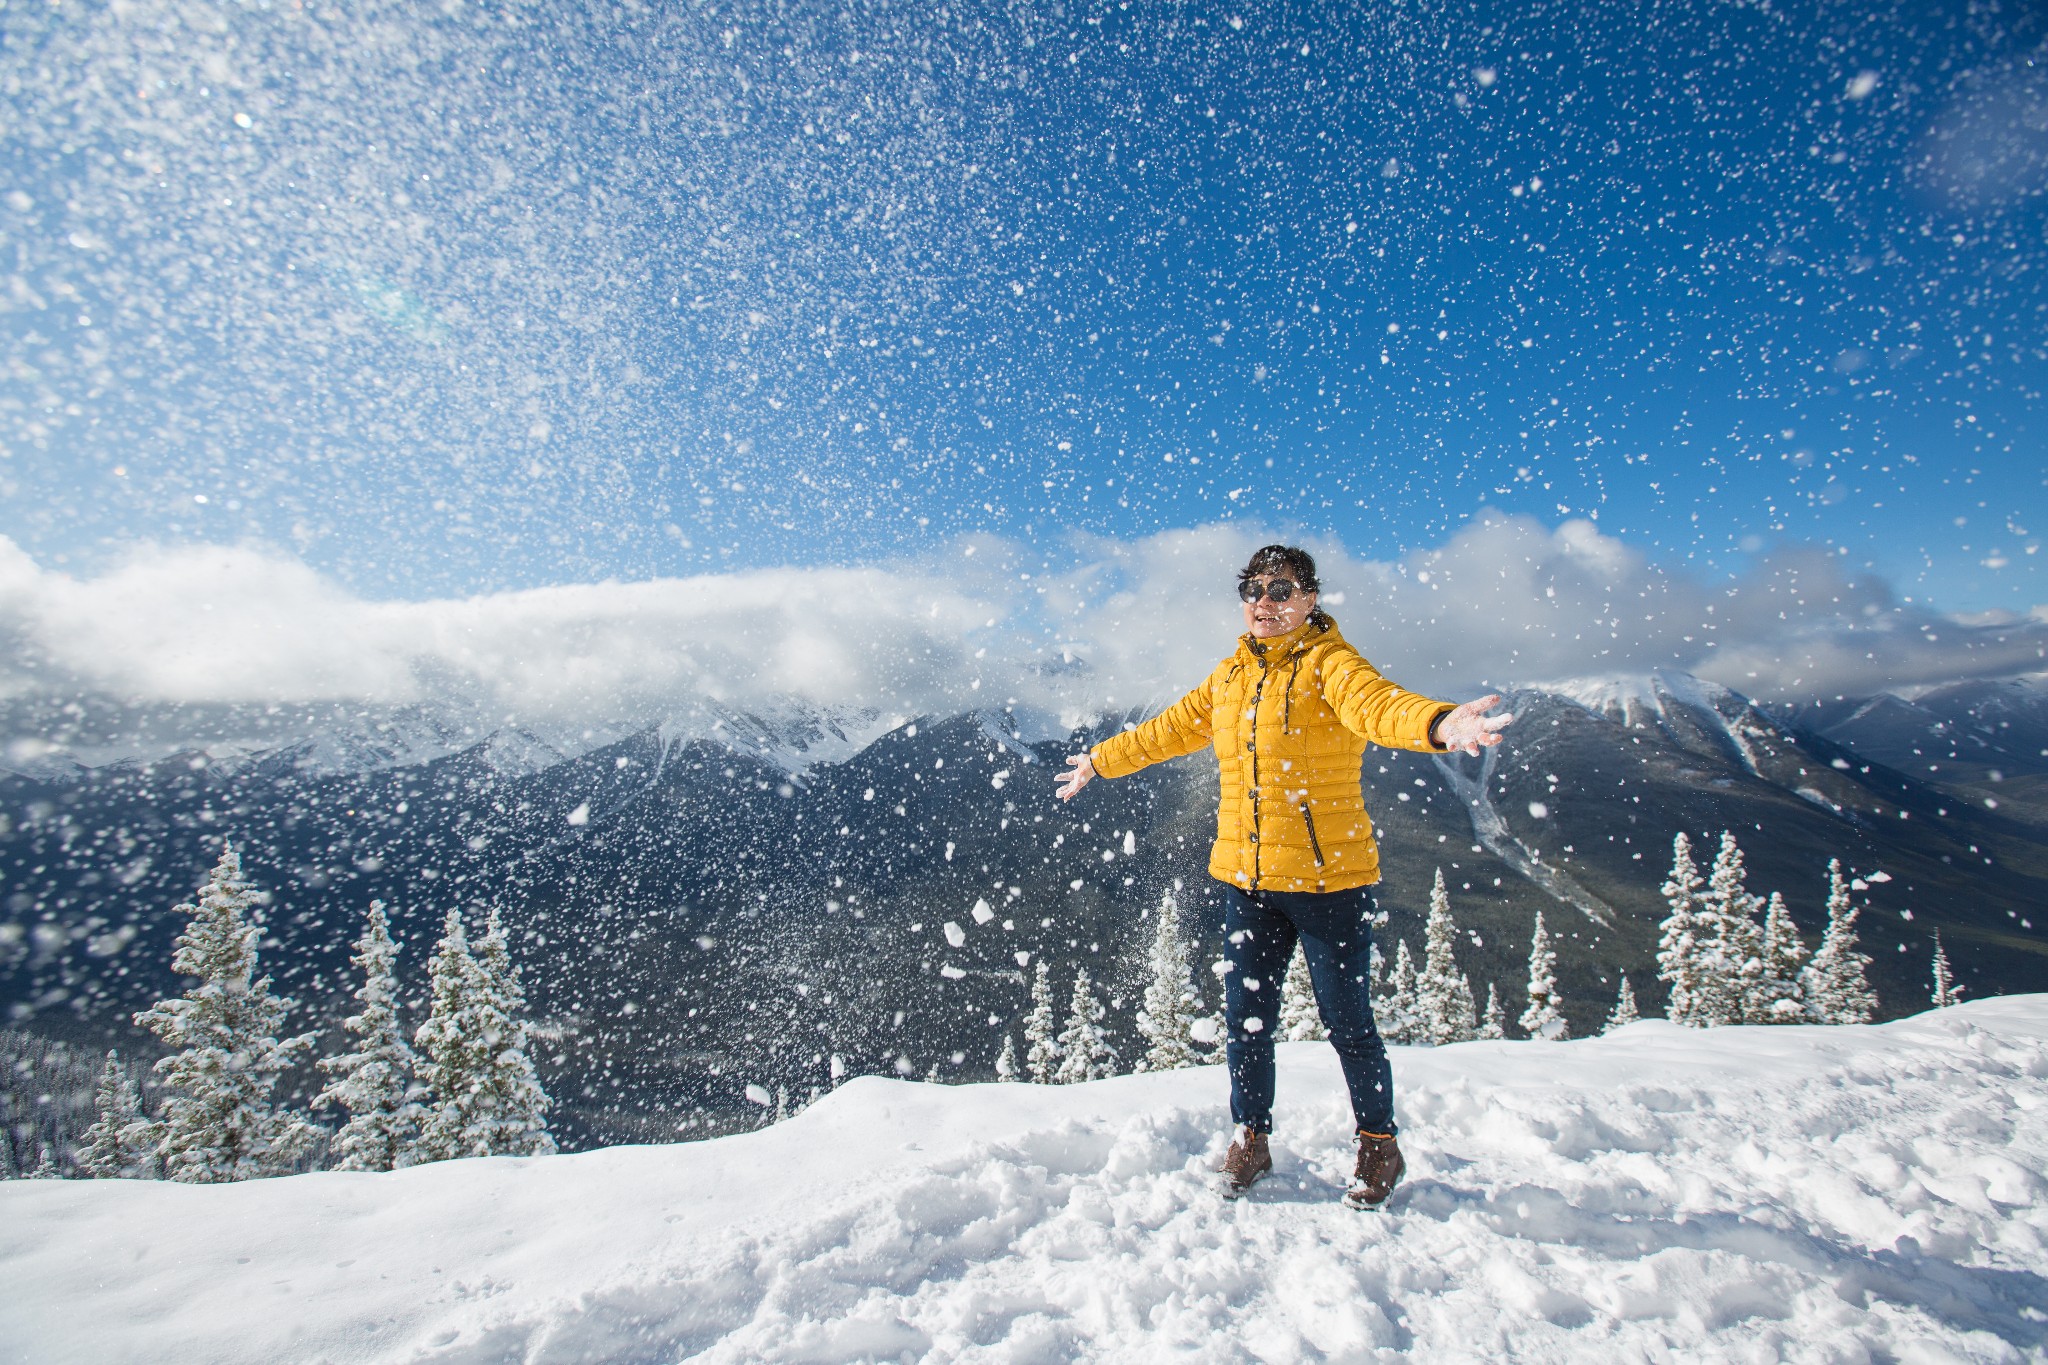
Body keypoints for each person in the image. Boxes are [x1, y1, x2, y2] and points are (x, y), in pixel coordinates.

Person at [1055, 544, 1512, 1206]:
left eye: (1280, 588)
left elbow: (1382, 707)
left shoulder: (1333, 666)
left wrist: (1441, 723)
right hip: (1247, 884)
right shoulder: (1231, 676)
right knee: (1245, 1020)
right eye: (1253, 588)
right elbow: (1169, 729)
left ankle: (1378, 1145)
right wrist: (1102, 758)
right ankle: (1252, 1138)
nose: (1264, 600)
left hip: (1331, 885)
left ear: (1310, 599)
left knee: (1349, 1023)